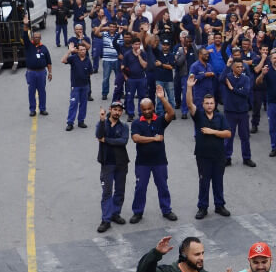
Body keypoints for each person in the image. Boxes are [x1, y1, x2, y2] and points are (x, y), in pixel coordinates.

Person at [185, 74, 231, 220]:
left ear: (215, 104)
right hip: (203, 156)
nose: (209, 105)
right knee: (204, 182)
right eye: (207, 103)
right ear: (203, 104)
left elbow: (228, 133)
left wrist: (213, 132)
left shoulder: (220, 117)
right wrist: (189, 87)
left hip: (218, 156)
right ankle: (202, 207)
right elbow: (189, 104)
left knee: (218, 181)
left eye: (211, 103)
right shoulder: (198, 115)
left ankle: (219, 205)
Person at [130, 88, 176, 223]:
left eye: (149, 108)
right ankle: (137, 212)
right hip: (142, 163)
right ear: (141, 110)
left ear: (153, 107)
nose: (147, 111)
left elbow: (171, 113)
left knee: (163, 186)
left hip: (160, 161)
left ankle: (166, 210)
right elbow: (136, 138)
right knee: (140, 188)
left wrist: (162, 98)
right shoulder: (136, 123)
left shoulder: (160, 120)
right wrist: (154, 139)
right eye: (144, 109)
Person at [95, 101, 129, 233]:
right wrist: (102, 121)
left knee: (120, 190)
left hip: (121, 163)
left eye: (119, 110)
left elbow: (123, 141)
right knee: (107, 192)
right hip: (107, 163)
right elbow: (99, 135)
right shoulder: (102, 123)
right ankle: (106, 220)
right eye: (115, 109)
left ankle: (115, 213)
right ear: (110, 109)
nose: (117, 112)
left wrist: (107, 140)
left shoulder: (124, 126)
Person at [221, 59, 255, 167]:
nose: (241, 68)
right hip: (230, 112)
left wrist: (232, 88)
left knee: (245, 136)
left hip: (243, 112)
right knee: (228, 137)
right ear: (233, 68)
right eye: (238, 67)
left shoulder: (246, 79)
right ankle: (227, 158)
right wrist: (227, 66)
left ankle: (247, 158)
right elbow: (221, 79)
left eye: (242, 67)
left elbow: (245, 92)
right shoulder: (228, 76)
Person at [63, 41, 95, 131]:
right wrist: (69, 51)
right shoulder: (73, 58)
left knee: (83, 104)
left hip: (85, 86)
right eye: (81, 50)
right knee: (73, 104)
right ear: (77, 51)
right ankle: (70, 122)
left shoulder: (88, 60)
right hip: (75, 86)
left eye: (84, 50)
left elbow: (90, 72)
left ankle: (81, 121)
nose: (83, 51)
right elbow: (63, 60)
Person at [22, 31, 52, 116]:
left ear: (40, 38)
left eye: (38, 37)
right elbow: (24, 37)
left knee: (42, 91)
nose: (37, 38)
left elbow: (49, 62)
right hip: (31, 73)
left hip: (41, 73)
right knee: (31, 91)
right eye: (35, 37)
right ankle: (32, 109)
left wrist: (50, 73)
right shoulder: (29, 46)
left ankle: (42, 109)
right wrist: (25, 25)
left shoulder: (44, 48)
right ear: (32, 38)